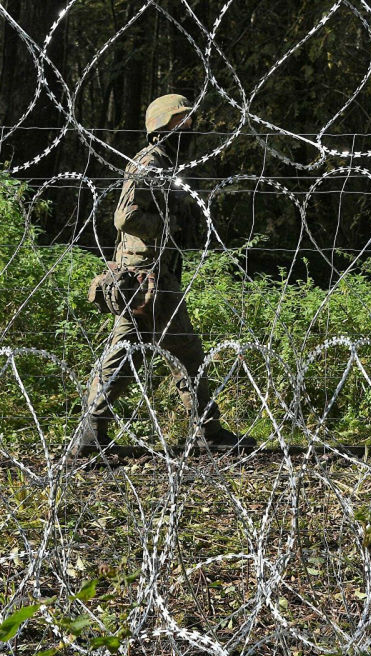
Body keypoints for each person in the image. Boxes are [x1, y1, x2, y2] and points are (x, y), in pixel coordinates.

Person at [72, 93, 256, 455]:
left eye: (187, 120)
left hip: (154, 276)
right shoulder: (150, 163)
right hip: (146, 279)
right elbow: (124, 218)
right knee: (163, 352)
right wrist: (167, 225)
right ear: (162, 126)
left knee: (152, 353)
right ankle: (206, 432)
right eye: (180, 121)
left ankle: (95, 435)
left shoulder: (167, 162)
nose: (188, 126)